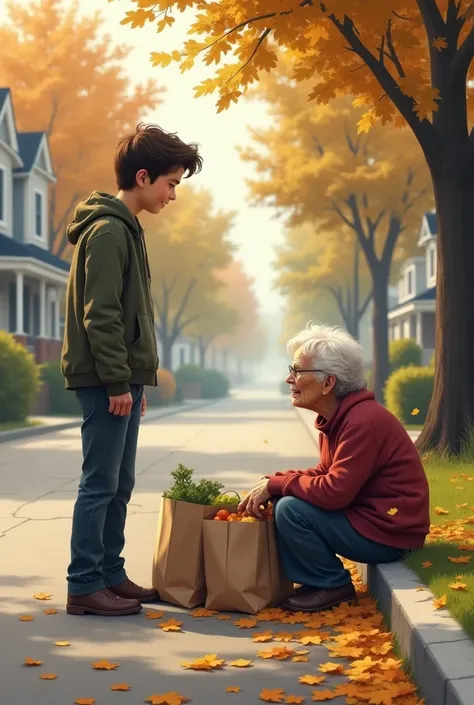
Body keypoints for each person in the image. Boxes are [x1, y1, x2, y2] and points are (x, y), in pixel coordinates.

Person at [61, 124, 202, 616]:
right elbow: (101, 315)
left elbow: (129, 316)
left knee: (119, 483)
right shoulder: (106, 231)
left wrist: (135, 380)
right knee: (99, 483)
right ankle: (84, 584)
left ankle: (110, 575)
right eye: (171, 183)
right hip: (103, 381)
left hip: (120, 380)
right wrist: (118, 381)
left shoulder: (125, 228)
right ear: (142, 177)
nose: (173, 195)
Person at [238, 322, 430, 614]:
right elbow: (327, 474)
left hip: (391, 535)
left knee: (290, 508)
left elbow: (334, 492)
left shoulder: (362, 422)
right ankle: (316, 581)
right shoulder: (343, 417)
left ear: (328, 383)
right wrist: (274, 482)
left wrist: (279, 486)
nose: (289, 379)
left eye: (297, 371)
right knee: (284, 499)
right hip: (374, 523)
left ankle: (332, 584)